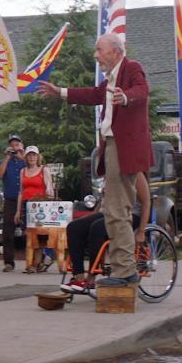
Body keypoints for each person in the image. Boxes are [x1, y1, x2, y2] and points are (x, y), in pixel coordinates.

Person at [38, 33, 152, 288]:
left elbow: (142, 90)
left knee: (116, 210)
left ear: (115, 51)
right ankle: (119, 270)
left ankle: (124, 272)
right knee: (113, 210)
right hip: (113, 145)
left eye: (99, 50)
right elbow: (92, 95)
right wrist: (61, 92)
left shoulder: (132, 67)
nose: (95, 55)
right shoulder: (110, 78)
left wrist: (126, 97)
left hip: (124, 147)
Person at [0, 135, 29, 272]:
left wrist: (22, 155)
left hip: (26, 200)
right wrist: (7, 157)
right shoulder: (6, 161)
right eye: (12, 145)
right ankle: (9, 262)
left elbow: (35, 169)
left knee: (29, 231)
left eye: (17, 145)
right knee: (8, 232)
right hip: (10, 200)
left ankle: (34, 261)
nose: (14, 148)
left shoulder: (25, 160)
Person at [16, 145, 55, 273]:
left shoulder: (44, 170)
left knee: (39, 236)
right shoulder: (23, 171)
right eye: (29, 155)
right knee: (28, 235)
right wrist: (18, 211)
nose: (32, 157)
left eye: (34, 155)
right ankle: (34, 263)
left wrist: (49, 203)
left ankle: (35, 263)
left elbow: (49, 189)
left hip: (40, 205)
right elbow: (21, 192)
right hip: (27, 205)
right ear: (26, 157)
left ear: (38, 156)